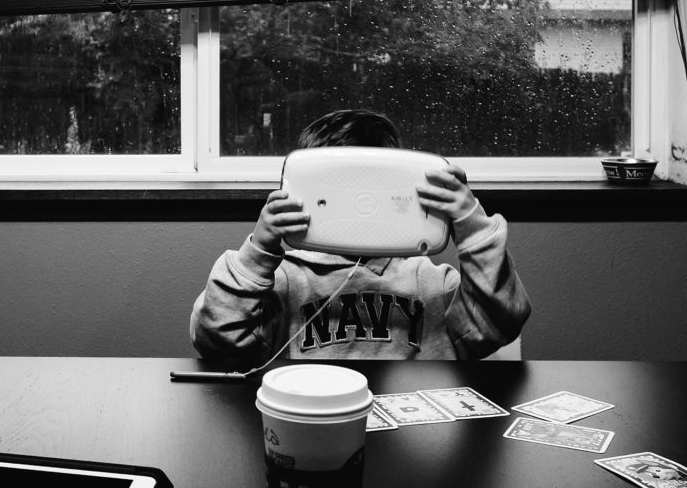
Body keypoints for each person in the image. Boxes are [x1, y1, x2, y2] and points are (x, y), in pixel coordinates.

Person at [189, 109, 531, 364]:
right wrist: (259, 250)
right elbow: (216, 338)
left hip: (415, 439)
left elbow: (498, 325)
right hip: (314, 426)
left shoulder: (432, 283)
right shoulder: (285, 282)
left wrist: (471, 223)